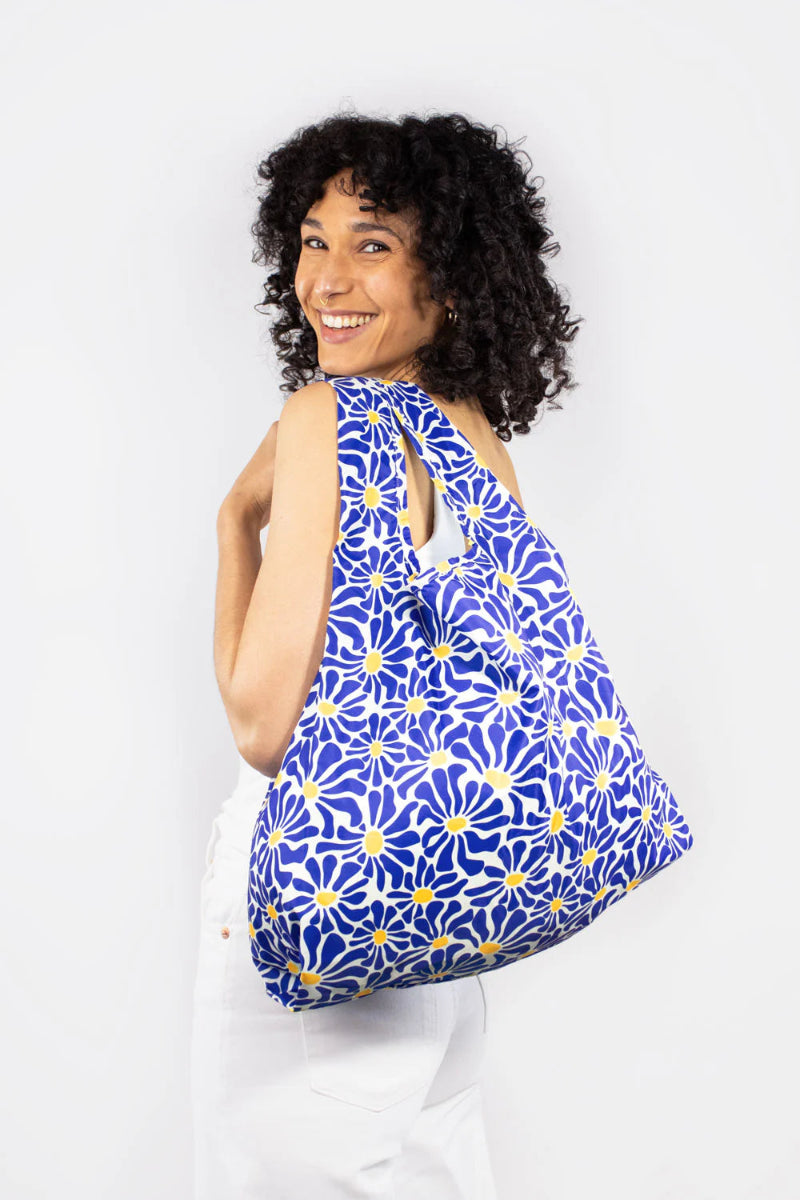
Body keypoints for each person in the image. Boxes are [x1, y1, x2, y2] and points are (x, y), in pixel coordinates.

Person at [191, 110, 582, 1199]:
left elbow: (264, 726)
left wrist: (233, 525)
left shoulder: (325, 417)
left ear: (448, 277)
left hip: (320, 904)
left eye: (371, 244)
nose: (326, 280)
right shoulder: (470, 435)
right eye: (312, 241)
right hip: (442, 943)